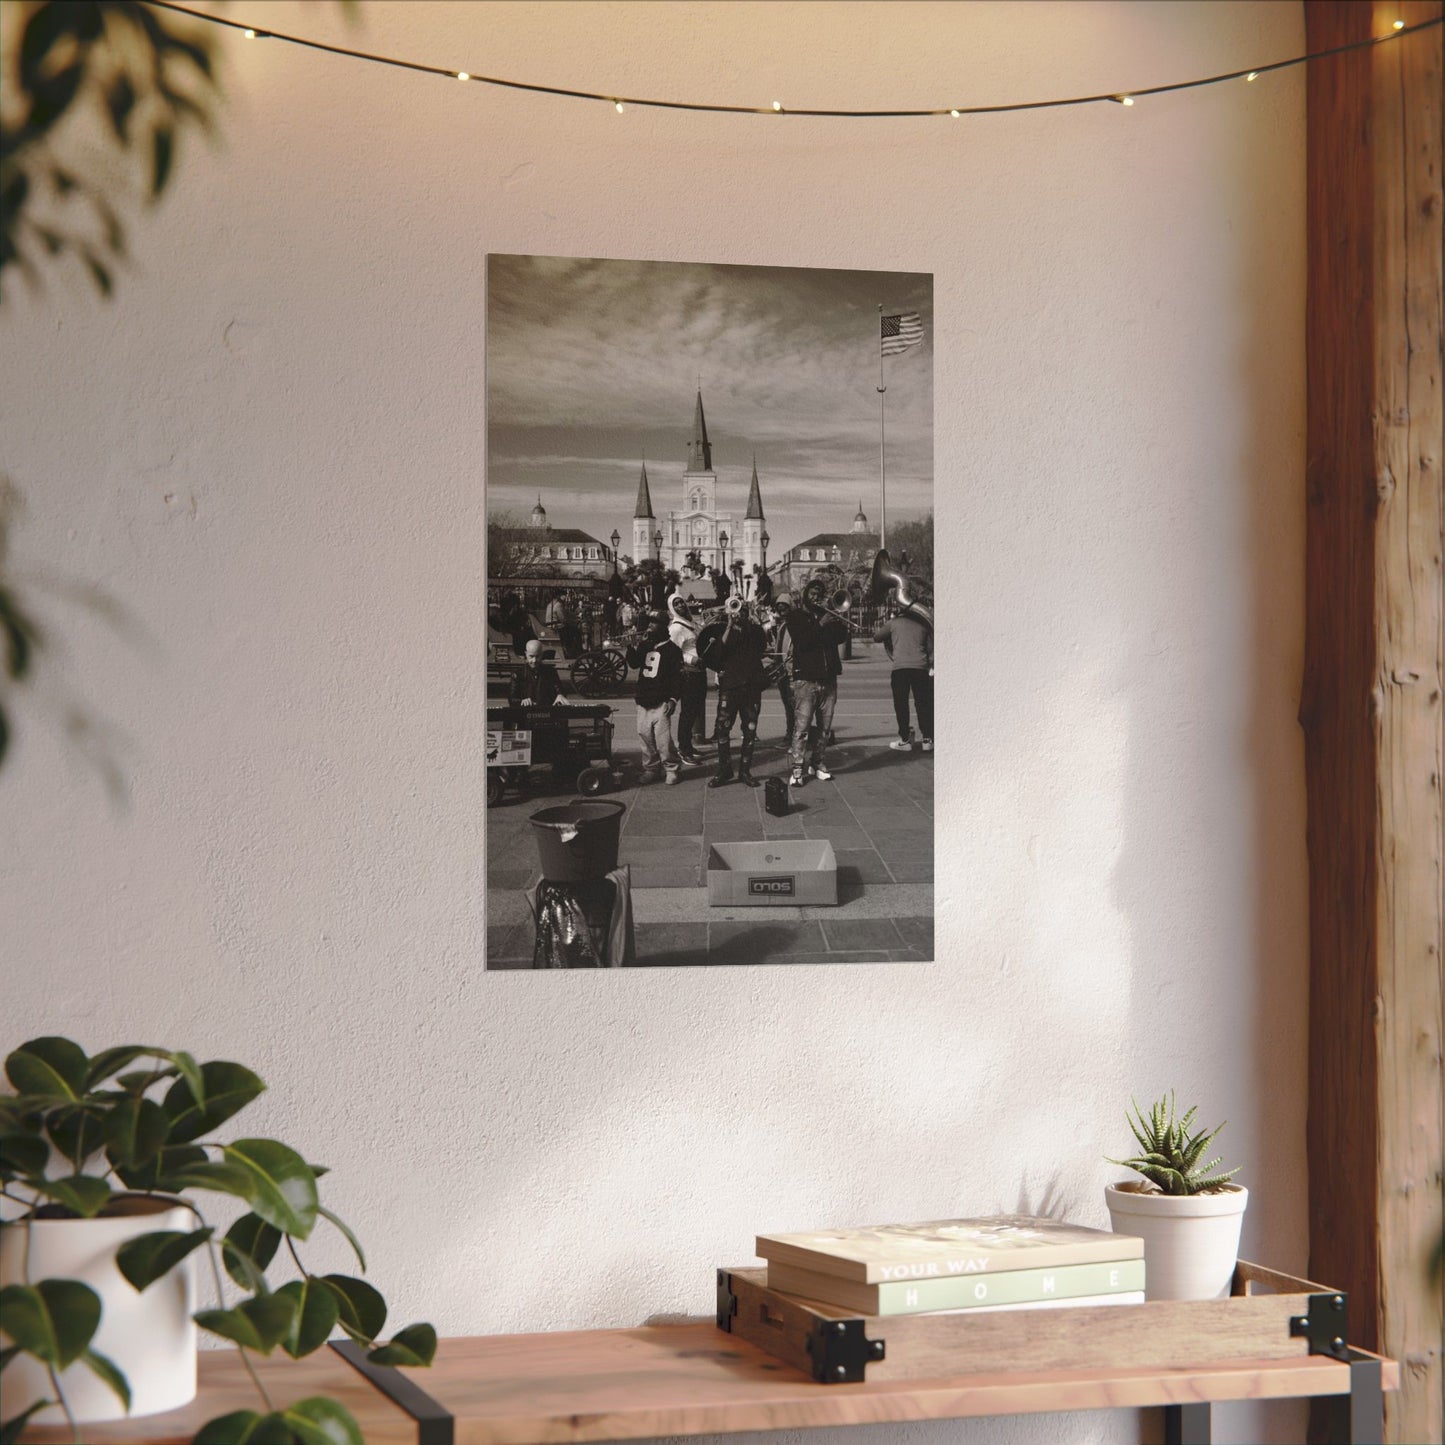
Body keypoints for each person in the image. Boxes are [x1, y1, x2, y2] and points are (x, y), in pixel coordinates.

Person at [784, 578, 848, 786]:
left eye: (820, 593)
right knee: (801, 728)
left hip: (828, 680)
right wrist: (820, 624)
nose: (817, 596)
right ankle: (797, 768)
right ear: (805, 595)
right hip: (806, 680)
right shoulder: (795, 617)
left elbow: (841, 637)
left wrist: (836, 617)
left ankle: (818, 763)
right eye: (813, 593)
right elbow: (803, 642)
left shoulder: (827, 616)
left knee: (824, 728)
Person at [698, 603, 767, 788]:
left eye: (743, 610)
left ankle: (745, 770)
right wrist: (728, 626)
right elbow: (717, 655)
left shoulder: (754, 630)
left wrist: (750, 621)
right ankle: (724, 770)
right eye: (737, 610)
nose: (739, 614)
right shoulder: (724, 630)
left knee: (750, 731)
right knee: (722, 729)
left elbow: (760, 648)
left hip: (751, 687)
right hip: (730, 687)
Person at [625, 612, 684, 784]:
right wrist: (631, 647)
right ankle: (651, 768)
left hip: (661, 702)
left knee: (663, 741)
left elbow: (677, 678)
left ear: (664, 626)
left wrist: (673, 699)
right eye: (650, 623)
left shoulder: (672, 650)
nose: (650, 626)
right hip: (643, 700)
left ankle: (671, 768)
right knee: (645, 738)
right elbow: (635, 663)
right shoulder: (645, 645)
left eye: (654, 623)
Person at [874, 604, 933, 750]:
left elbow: (876, 637)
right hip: (920, 667)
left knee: (901, 704)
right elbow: (930, 646)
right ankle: (927, 739)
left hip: (900, 668)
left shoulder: (894, 623)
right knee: (923, 703)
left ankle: (905, 739)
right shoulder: (923, 623)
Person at [669, 597, 709, 764]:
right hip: (689, 674)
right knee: (688, 712)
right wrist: (693, 660)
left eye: (681, 602)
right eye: (676, 604)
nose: (680, 606)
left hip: (699, 672)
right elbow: (673, 652)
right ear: (671, 607)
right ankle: (684, 750)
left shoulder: (689, 623)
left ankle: (688, 746)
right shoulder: (676, 628)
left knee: (694, 711)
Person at [511, 638, 560, 708]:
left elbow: (559, 690)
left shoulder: (551, 672)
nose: (534, 660)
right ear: (526, 654)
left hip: (546, 711)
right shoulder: (518, 674)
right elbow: (512, 698)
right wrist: (522, 701)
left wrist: (560, 695)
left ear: (542, 654)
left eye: (537, 656)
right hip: (525, 712)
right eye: (531, 656)